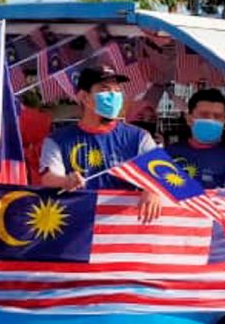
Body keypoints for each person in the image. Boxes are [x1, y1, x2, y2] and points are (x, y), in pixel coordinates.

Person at [39, 66, 161, 221]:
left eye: (117, 91)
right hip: (79, 227)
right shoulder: (57, 140)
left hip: (123, 228)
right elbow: (48, 177)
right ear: (84, 97)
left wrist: (152, 190)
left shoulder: (139, 138)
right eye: (104, 90)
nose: (113, 95)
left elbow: (162, 174)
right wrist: (65, 181)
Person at [165, 87, 225, 187]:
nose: (211, 120)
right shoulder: (168, 153)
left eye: (217, 116)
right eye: (204, 115)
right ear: (189, 119)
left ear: (224, 121)